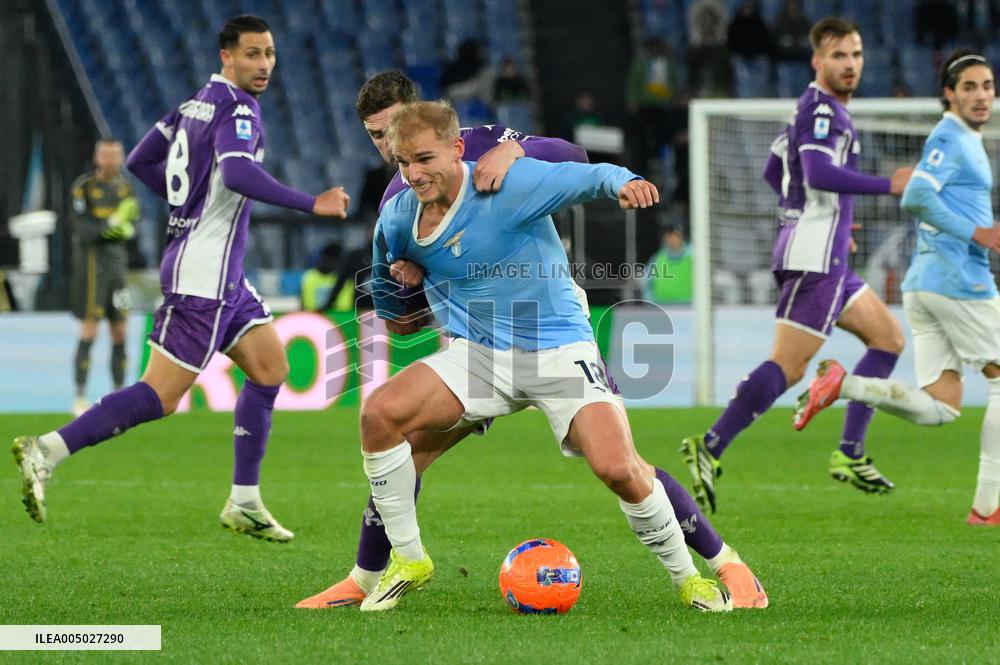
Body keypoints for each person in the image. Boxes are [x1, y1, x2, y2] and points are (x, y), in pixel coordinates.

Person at [295, 73, 768, 611]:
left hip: (554, 343)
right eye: (381, 140)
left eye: (400, 135)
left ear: (434, 128)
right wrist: (409, 289)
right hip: (473, 351)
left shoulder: (492, 161)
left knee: (619, 465)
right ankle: (373, 573)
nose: (393, 151)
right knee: (395, 440)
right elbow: (397, 319)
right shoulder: (398, 207)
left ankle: (717, 565)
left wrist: (518, 151)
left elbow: (579, 163)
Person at [11, 15, 350, 541]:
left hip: (219, 273)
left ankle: (244, 499)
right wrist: (313, 203)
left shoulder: (193, 105)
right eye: (252, 54)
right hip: (204, 276)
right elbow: (237, 173)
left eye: (270, 54)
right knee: (160, 396)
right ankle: (48, 450)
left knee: (270, 367)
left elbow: (144, 159)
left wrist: (183, 206)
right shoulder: (238, 108)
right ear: (227, 56)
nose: (263, 65)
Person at [679, 17, 914, 513]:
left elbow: (775, 170)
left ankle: (850, 451)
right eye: (838, 56)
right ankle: (710, 446)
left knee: (888, 339)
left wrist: (820, 218)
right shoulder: (824, 110)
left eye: (855, 55)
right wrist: (886, 185)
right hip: (814, 257)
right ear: (817, 61)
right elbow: (817, 172)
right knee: (789, 366)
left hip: (819, 249)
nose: (849, 65)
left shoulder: (807, 108)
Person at [795, 50, 1000, 527]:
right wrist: (978, 235)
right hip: (958, 281)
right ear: (948, 94)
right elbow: (916, 194)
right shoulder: (952, 138)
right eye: (969, 86)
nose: (981, 95)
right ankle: (987, 509)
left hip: (929, 283)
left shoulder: (962, 137)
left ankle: (843, 384)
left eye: (987, 85)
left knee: (942, 408)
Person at [68, 138, 141, 416]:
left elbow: (134, 223)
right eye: (106, 155)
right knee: (90, 327)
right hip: (91, 265)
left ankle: (120, 394)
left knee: (120, 328)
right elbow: (84, 230)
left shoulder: (126, 188)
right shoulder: (83, 187)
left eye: (115, 156)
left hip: (117, 265)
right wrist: (112, 227)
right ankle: (79, 396)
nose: (111, 161)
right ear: (97, 157)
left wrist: (121, 229)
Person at [645, 225, 693, 305]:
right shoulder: (658, 259)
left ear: (682, 238)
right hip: (662, 306)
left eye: (675, 236)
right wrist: (651, 303)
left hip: (688, 307)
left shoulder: (694, 257)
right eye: (668, 237)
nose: (672, 240)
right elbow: (647, 283)